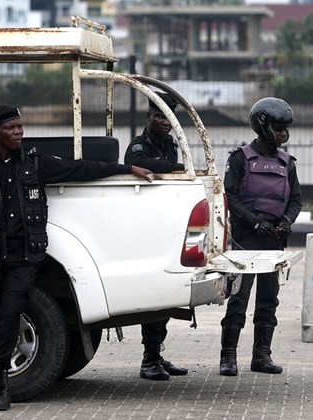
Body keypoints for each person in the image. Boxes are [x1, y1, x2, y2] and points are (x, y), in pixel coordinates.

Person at [0, 105, 153, 411]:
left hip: (25, 257)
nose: (18, 132)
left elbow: (81, 169)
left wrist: (126, 169)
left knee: (10, 313)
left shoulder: (35, 165)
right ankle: (0, 387)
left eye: (20, 127)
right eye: (11, 128)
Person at [219, 97, 302, 376]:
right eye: (279, 128)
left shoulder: (287, 163)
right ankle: (228, 357)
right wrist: (255, 223)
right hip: (246, 241)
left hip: (275, 241)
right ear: (263, 126)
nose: (283, 134)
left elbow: (296, 201)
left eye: (285, 129)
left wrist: (286, 222)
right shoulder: (240, 158)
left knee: (269, 299)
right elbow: (230, 195)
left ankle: (262, 356)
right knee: (239, 298)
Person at [123, 91, 188, 381]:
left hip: (165, 225)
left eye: (168, 117)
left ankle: (156, 356)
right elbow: (148, 166)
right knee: (153, 299)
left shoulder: (171, 144)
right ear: (149, 116)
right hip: (143, 227)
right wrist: (175, 167)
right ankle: (148, 360)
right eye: (159, 116)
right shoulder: (139, 145)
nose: (164, 122)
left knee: (165, 298)